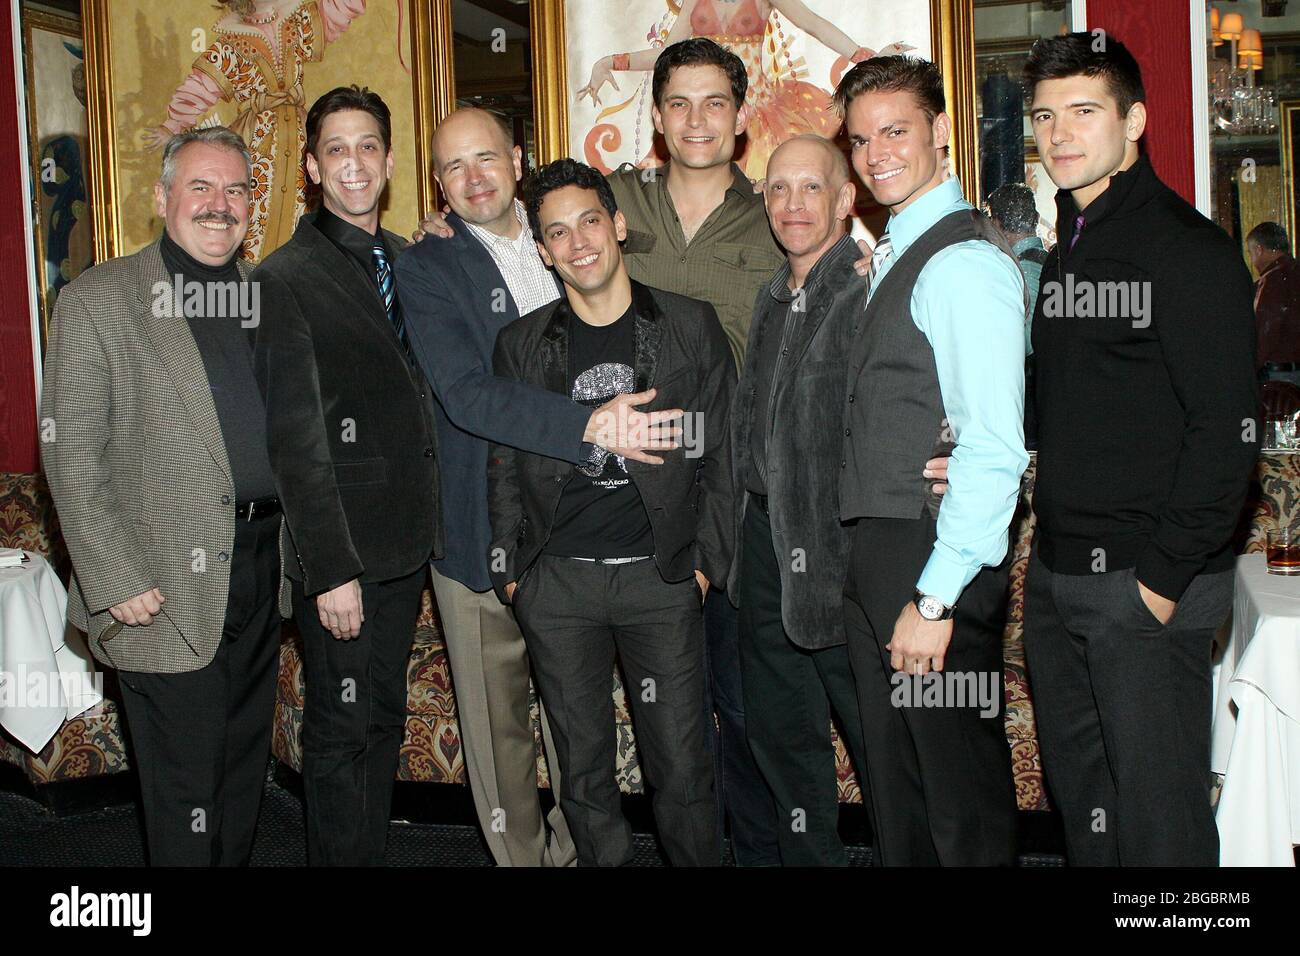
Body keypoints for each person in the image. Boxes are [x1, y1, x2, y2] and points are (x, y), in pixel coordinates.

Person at [393, 107, 684, 866]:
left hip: (576, 536)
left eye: (485, 158)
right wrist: (593, 423)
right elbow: (466, 394)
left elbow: (675, 257)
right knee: (498, 735)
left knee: (578, 725)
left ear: (517, 159)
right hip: (477, 527)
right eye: (453, 168)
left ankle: (575, 855)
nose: (473, 178)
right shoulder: (426, 265)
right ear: (437, 182)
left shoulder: (569, 227)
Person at [1022, 34, 1258, 866]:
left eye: (1084, 112)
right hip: (1059, 580)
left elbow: (1228, 437)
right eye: (1045, 115)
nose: (1059, 133)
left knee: (1162, 832)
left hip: (1145, 584)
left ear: (1136, 121)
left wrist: (1159, 583)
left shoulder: (1187, 252)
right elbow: (1073, 402)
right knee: (1089, 815)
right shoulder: (1067, 252)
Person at [41, 126, 287, 866]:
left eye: (236, 189)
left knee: (244, 772)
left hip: (261, 568)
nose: (220, 205)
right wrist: (116, 579)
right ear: (162, 198)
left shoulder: (263, 297)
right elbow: (69, 452)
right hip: (159, 583)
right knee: (184, 792)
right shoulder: (99, 300)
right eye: (201, 188)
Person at [487, 159, 733, 866]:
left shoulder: (688, 326)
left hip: (660, 581)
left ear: (618, 225)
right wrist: (512, 571)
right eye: (557, 232)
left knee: (683, 766)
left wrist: (704, 568)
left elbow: (721, 451)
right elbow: (503, 461)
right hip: (556, 584)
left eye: (589, 221)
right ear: (543, 250)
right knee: (583, 773)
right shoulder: (523, 345)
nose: (578, 242)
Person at [834, 55, 1028, 866]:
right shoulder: (894, 251)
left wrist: (937, 599)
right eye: (860, 137)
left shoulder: (963, 264)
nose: (876, 151)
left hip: (928, 555)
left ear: (942, 133)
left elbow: (992, 446)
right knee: (901, 792)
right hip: (882, 548)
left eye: (896, 130)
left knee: (958, 800)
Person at [253, 86, 440, 866]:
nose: (354, 162)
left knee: (384, 721)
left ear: (390, 161)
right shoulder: (284, 276)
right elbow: (295, 441)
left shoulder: (408, 259)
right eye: (336, 149)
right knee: (339, 729)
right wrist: (329, 572)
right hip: (345, 559)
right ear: (311, 166)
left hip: (407, 544)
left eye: (368, 146)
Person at [729, 134, 872, 865]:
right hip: (763, 547)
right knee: (782, 739)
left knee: (881, 747)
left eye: (811, 187)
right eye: (778, 188)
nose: (792, 204)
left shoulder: (871, 289)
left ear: (845, 200)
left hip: (844, 555)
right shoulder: (771, 294)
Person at [575, 0, 908, 178]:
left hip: (761, 113)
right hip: (713, 114)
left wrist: (864, 57)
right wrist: (611, 62)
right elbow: (668, 52)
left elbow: (813, 24)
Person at [144, 0, 369, 261]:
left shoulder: (297, 20)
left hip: (298, 140)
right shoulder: (231, 42)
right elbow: (201, 86)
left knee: (303, 211)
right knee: (254, 211)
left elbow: (341, 9)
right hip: (259, 143)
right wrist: (172, 124)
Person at [987, 181, 1047, 447]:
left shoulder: (1018, 271)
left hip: (1030, 403)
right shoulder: (1050, 260)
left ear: (997, 224)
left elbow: (1024, 342)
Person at [1247, 221, 1299, 387]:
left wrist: (1247, 369)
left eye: (1251, 253)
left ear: (1259, 250)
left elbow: (1266, 332)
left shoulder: (1271, 281)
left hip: (1280, 377)